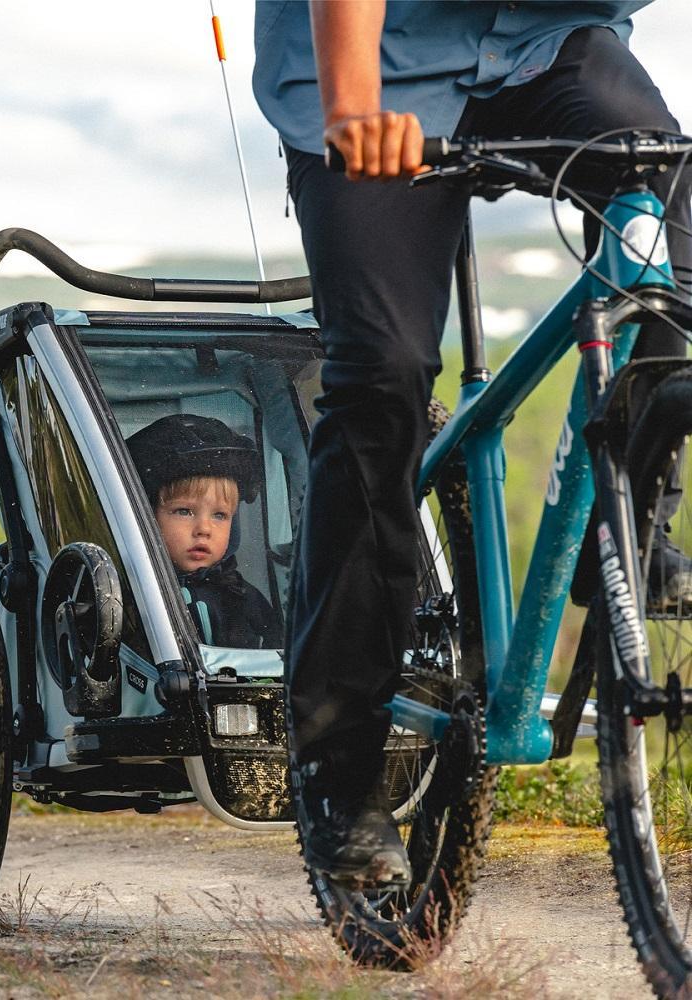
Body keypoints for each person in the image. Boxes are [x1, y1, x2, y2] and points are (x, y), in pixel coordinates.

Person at [253, 1, 692, 889]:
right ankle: (340, 761)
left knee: (676, 268)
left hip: (545, 50)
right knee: (380, 377)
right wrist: (350, 109)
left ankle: (625, 531)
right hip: (374, 65)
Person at [126, 414, 282, 649]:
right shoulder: (131, 599)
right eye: (184, 511)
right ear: (147, 516)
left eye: (219, 515)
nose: (204, 529)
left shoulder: (243, 599)